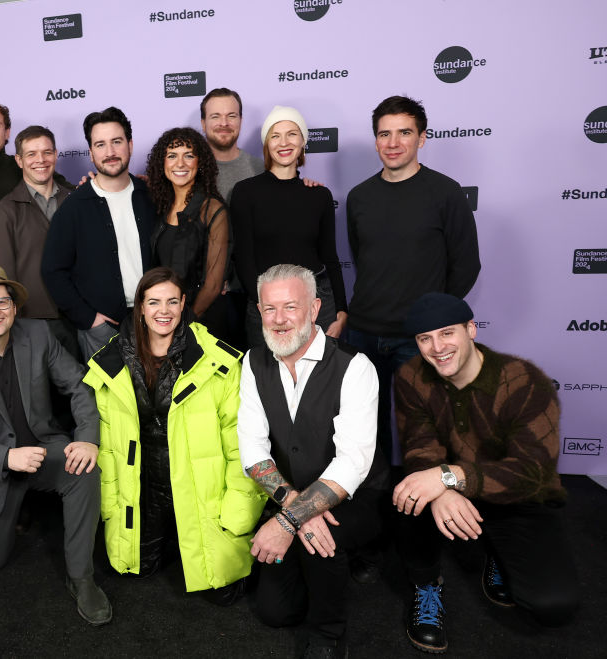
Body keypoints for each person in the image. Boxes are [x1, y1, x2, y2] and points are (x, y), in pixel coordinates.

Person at [393, 293, 579, 654]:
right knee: (408, 493)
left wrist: (448, 477)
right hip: (450, 492)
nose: (437, 347)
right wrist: (442, 489)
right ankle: (426, 585)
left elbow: (532, 471)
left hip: (517, 496)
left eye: (447, 333)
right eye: (424, 338)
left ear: (471, 330)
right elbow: (419, 446)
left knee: (553, 605)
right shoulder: (411, 375)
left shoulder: (523, 380)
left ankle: (497, 552)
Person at [0, 264, 110, 625]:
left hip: (43, 450)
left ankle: (82, 578)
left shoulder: (38, 335)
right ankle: (6, 513)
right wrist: (5, 457)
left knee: (85, 470)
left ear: (14, 308)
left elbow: (79, 385)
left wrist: (87, 439)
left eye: (1, 302)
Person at [84, 267, 263, 604]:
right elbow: (107, 449)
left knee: (222, 592)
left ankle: (189, 533)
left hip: (200, 490)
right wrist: (109, 508)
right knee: (135, 568)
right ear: (139, 307)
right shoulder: (111, 362)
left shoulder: (219, 364)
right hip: (144, 490)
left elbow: (241, 447)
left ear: (183, 304)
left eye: (171, 301)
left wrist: (238, 516)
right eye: (153, 302)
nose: (162, 311)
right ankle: (170, 534)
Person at [238, 264, 386, 658]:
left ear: (315, 308)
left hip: (356, 498)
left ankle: (329, 636)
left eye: (290, 306)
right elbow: (252, 450)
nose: (280, 320)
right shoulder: (253, 363)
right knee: (276, 612)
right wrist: (295, 507)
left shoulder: (355, 367)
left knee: (324, 537)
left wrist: (288, 521)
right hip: (292, 492)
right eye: (270, 309)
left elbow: (351, 464)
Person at [345, 95, 481, 465]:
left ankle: (428, 497)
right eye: (384, 134)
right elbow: (363, 259)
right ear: (375, 140)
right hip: (363, 333)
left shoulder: (446, 192)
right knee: (364, 429)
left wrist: (432, 319)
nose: (393, 143)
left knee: (424, 429)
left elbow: (467, 264)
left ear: (421, 138)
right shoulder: (359, 197)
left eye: (404, 132)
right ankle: (373, 502)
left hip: (419, 337)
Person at [41, 106, 155, 360]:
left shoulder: (153, 197)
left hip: (155, 322)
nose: (110, 152)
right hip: (102, 330)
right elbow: (52, 270)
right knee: (105, 400)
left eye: (117, 142)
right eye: (100, 145)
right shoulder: (73, 207)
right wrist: (89, 319)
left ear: (130, 145)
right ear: (91, 153)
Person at [231, 105, 348, 351]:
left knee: (321, 381)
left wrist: (341, 309)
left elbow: (330, 256)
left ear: (303, 141)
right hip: (265, 303)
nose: (284, 142)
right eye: (275, 135)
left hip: (317, 302)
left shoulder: (319, 195)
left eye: (292, 134)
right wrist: (265, 305)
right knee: (268, 381)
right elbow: (243, 257)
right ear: (266, 144)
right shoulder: (245, 192)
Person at [0, 125, 76, 354]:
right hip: (30, 323)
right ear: (19, 160)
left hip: (76, 319)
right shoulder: (3, 212)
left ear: (55, 155)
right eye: (31, 154)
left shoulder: (76, 202)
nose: (40, 160)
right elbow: (2, 278)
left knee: (82, 387)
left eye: (46, 152)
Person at [145, 127, 229, 340]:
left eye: (188, 156)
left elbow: (213, 285)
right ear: (162, 163)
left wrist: (182, 324)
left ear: (199, 163)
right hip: (164, 321)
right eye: (172, 156)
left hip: (202, 323)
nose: (179, 163)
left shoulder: (212, 209)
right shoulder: (160, 206)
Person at [199, 87, 264, 203]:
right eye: (215, 116)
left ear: (240, 120)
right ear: (203, 124)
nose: (224, 123)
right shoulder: (188, 169)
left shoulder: (261, 169)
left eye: (231, 116)